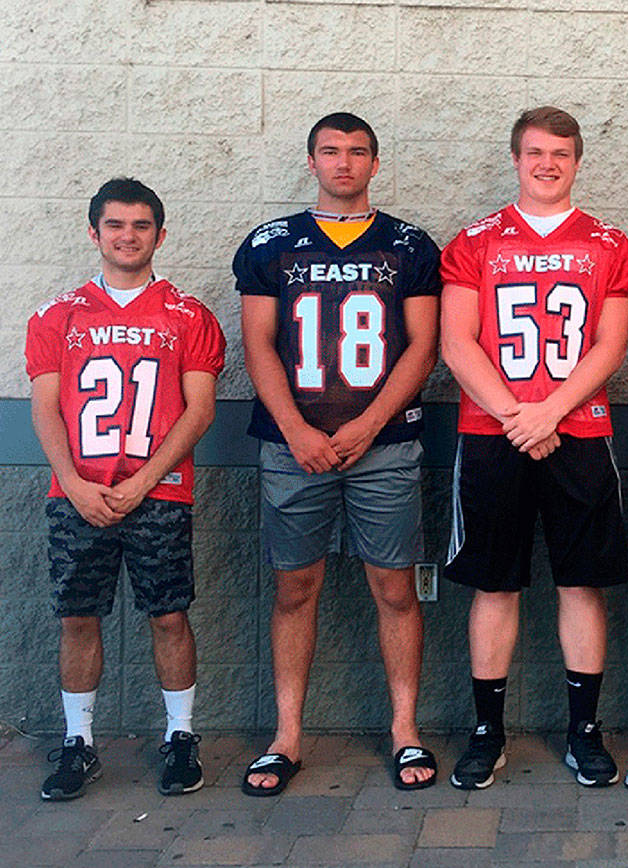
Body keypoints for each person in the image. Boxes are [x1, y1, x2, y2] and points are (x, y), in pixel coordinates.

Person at [234, 112, 441, 795]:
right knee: (295, 587)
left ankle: (404, 729)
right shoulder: (271, 243)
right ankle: (287, 735)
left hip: (384, 442)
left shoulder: (408, 244)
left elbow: (422, 345)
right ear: (312, 160)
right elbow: (259, 344)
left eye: (357, 152)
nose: (344, 162)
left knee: (395, 587)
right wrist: (294, 428)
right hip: (295, 445)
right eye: (331, 151)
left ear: (376, 164)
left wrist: (371, 422)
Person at [439, 106, 628, 789]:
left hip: (578, 431)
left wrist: (550, 409)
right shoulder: (475, 241)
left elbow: (611, 345)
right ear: (516, 159)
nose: (546, 163)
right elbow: (456, 341)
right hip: (492, 433)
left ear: (578, 161)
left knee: (581, 582)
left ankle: (584, 729)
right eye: (534, 152)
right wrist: (514, 414)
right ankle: (486, 731)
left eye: (559, 152)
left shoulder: (610, 244)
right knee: (494, 584)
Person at [26, 177, 225, 800]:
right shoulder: (57, 314)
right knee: (78, 618)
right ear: (94, 233)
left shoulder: (187, 315)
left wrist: (142, 479)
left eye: (141, 226)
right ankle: (78, 743)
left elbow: (199, 409)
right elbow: (45, 409)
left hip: (158, 490)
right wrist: (74, 484)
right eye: (115, 225)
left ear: (160, 235)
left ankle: (180, 736)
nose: (127, 236)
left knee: (168, 615)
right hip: (78, 495)